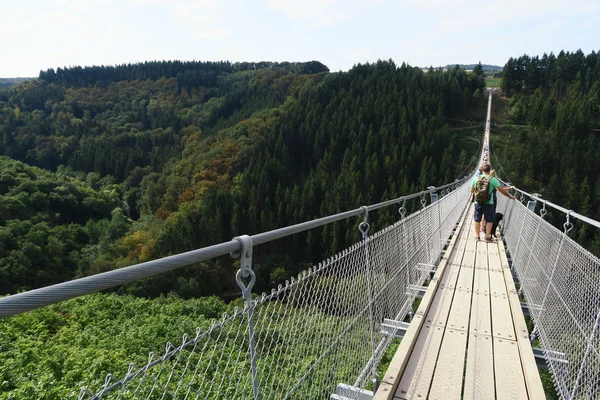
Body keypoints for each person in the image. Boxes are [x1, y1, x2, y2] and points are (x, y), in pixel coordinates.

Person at [470, 163, 515, 241]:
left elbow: (471, 190)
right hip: (489, 203)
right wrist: (510, 197)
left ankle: (477, 236)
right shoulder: (493, 179)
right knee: (490, 220)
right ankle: (487, 236)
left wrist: (478, 193)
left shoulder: (476, 178)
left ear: (482, 170)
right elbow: (501, 190)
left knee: (477, 219)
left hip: (478, 202)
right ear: (489, 171)